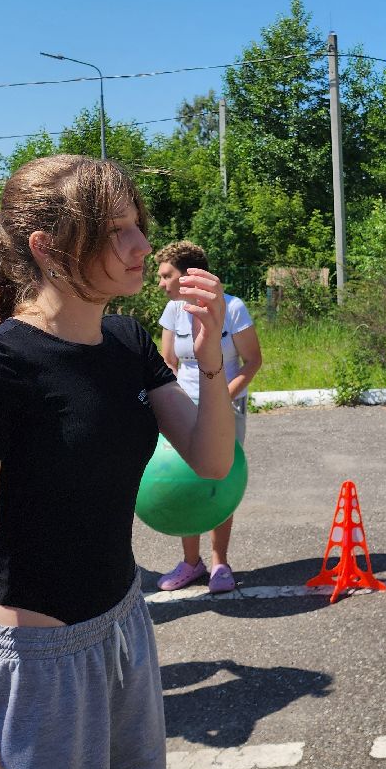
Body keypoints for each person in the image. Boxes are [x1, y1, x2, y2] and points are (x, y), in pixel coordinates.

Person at [0, 155, 235, 769]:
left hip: (125, 626)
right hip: (37, 662)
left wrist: (208, 358)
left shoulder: (126, 341)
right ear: (46, 248)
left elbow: (212, 461)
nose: (141, 245)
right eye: (117, 231)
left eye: (139, 225)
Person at [152, 240, 262, 594]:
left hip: (225, 409)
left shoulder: (232, 309)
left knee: (219, 483)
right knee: (185, 482)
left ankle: (219, 564)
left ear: (188, 277)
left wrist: (219, 401)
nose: (160, 282)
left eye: (166, 275)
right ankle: (190, 563)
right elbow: (168, 362)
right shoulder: (173, 311)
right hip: (184, 409)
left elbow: (253, 361)